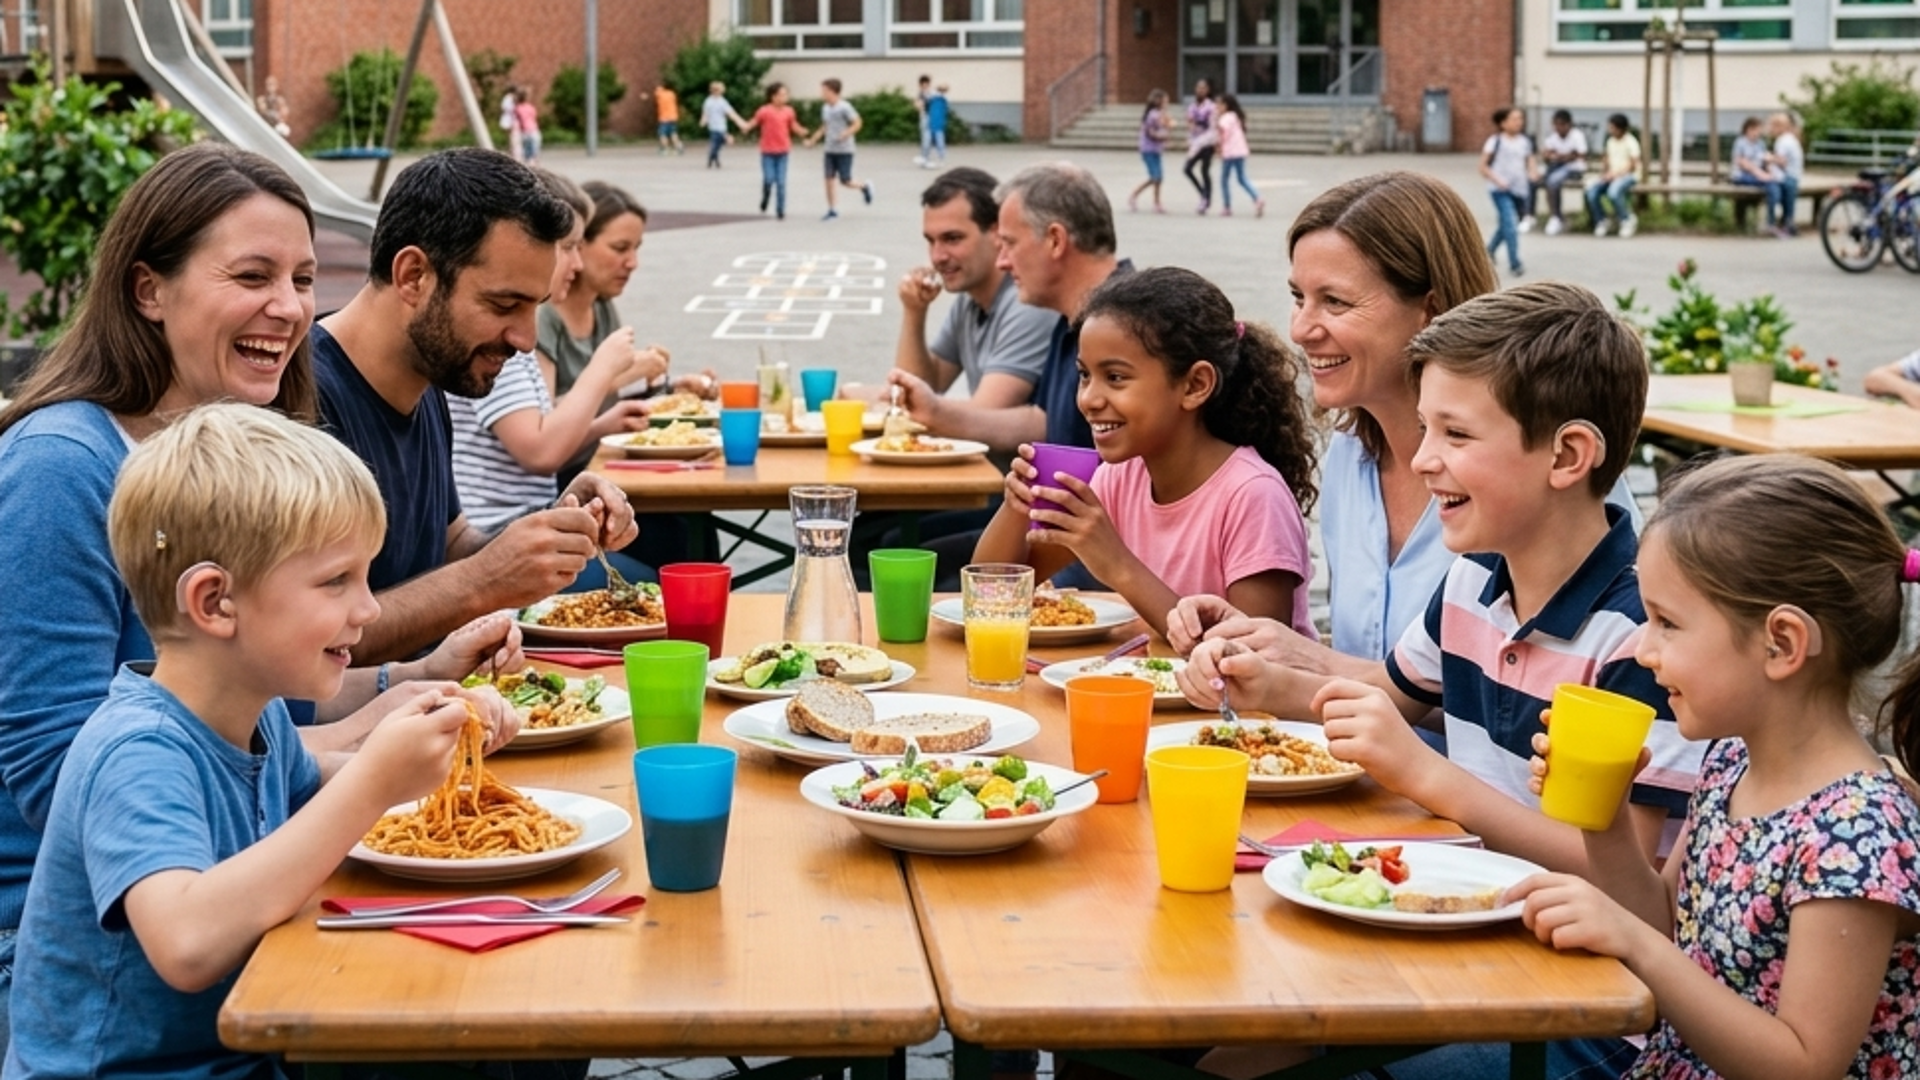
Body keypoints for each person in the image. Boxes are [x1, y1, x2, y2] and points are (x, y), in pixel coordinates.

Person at [0, 143, 526, 1048]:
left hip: (223, 882)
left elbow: (249, 709)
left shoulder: (240, 457)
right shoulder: (61, 469)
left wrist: (414, 680)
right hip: (90, 954)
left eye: (303, 277)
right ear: (147, 290)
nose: (289, 308)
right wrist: (366, 769)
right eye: (252, 275)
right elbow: (65, 781)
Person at [1179, 282, 1704, 1080]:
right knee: (1211, 1040)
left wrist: (1428, 775)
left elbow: (1621, 880)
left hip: (1590, 1006)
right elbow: (1391, 700)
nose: (1422, 460)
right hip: (1462, 930)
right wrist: (1269, 676)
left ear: (1568, 455)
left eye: (1455, 434)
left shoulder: (1644, 635)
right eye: (1426, 429)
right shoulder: (1475, 579)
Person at [1, 404, 514, 1078]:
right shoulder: (136, 750)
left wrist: (431, 727)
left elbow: (309, 788)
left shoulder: (257, 715)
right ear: (214, 602)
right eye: (336, 581)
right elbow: (187, 942)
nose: (367, 609)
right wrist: (373, 782)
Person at [1512, 454, 1920, 1079]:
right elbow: (1666, 923)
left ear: (1782, 644)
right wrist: (1606, 816)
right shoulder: (1732, 761)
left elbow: (1803, 1065)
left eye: (1668, 623)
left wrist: (1632, 941)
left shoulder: (1857, 833)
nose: (1643, 650)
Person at [312, 148, 638, 663]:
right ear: (414, 275)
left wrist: (550, 528)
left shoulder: (430, 378)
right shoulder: (302, 406)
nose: (527, 339)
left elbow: (450, 545)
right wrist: (483, 582)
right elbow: (318, 639)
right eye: (504, 305)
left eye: (535, 309)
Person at [972, 267, 1316, 639]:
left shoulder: (1253, 495)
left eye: (1115, 377)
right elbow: (993, 593)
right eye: (1084, 375)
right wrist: (1017, 505)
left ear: (1195, 385)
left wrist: (1118, 565)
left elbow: (1254, 661)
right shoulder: (1120, 477)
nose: (1089, 398)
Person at [448, 169, 660, 548]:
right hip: (498, 532)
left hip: (523, 519)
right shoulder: (501, 338)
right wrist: (604, 370)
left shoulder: (519, 328)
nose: (576, 264)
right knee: (662, 563)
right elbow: (541, 450)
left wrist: (603, 423)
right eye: (568, 247)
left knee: (670, 540)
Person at [879, 167, 1059, 454]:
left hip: (1011, 486)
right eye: (931, 240)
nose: (938, 256)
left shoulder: (1025, 303)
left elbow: (978, 416)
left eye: (952, 239)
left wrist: (896, 404)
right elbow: (923, 385)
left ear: (997, 233)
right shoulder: (970, 299)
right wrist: (915, 312)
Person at [992, 163, 1132, 456]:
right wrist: (933, 413)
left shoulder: (1130, 327)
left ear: (1055, 240)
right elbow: (1046, 423)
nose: (1001, 263)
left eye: (1010, 243)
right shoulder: (1072, 317)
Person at [804, 78, 874, 221]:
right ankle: (832, 209)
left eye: (824, 91)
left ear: (832, 91)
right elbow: (825, 126)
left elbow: (858, 123)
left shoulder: (844, 107)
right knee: (828, 179)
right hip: (829, 149)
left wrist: (847, 133)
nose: (822, 94)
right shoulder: (825, 108)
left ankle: (864, 186)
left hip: (845, 149)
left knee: (845, 180)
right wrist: (813, 140)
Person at [739, 83, 810, 220]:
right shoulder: (764, 111)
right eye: (782, 94)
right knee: (769, 179)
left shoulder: (789, 111)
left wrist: (802, 131)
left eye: (786, 94)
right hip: (768, 152)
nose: (785, 97)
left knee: (781, 182)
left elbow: (793, 125)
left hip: (783, 151)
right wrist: (747, 127)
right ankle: (765, 196)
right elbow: (755, 121)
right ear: (773, 97)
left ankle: (780, 210)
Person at [1480, 106, 1536, 275]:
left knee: (1506, 224)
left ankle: (1488, 251)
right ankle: (1515, 263)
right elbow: (1482, 167)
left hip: (1520, 190)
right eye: (1514, 119)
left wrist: (1533, 173)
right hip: (1500, 190)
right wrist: (1498, 180)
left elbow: (1530, 160)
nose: (1519, 122)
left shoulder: (1525, 142)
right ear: (1503, 123)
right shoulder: (1495, 141)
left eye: (1520, 119)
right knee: (1510, 225)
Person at [1533, 108, 1587, 235]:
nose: (1558, 128)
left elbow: (1579, 155)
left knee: (1553, 181)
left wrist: (1559, 156)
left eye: (1561, 125)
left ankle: (1556, 217)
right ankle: (1530, 215)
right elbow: (1546, 154)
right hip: (1556, 166)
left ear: (1568, 124)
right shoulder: (1553, 137)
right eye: (1555, 125)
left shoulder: (1577, 136)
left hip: (1574, 169)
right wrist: (1560, 156)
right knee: (1535, 180)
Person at [1587, 113, 1642, 237]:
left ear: (1621, 129)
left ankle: (1626, 219)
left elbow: (1632, 165)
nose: (1610, 130)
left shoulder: (1631, 142)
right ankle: (1602, 220)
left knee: (1613, 192)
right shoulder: (1610, 141)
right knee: (1592, 192)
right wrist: (1605, 174)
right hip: (1611, 176)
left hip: (1629, 176)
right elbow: (1607, 161)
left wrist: (1615, 175)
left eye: (1612, 128)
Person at [1730, 115, 1783, 233]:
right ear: (1749, 129)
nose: (1759, 133)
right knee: (1770, 184)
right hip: (1742, 175)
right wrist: (1761, 174)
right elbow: (1743, 163)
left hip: (1758, 175)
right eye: (1758, 130)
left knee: (1774, 186)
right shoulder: (1740, 142)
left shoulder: (1760, 144)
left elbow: (1764, 160)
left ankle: (1771, 220)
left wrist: (1770, 171)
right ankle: (1771, 220)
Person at [1215, 93, 1264, 218]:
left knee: (1224, 179)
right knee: (1242, 178)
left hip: (1230, 152)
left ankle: (1227, 206)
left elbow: (1223, 134)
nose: (1217, 107)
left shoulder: (1225, 118)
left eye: (1219, 105)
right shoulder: (1236, 116)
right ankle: (1257, 198)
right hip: (1240, 151)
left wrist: (1219, 148)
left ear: (1226, 106)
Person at [1128, 89, 1170, 214]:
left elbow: (1164, 127)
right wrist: (1163, 136)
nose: (1167, 103)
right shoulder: (1152, 115)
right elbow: (1150, 133)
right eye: (1165, 101)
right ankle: (1134, 195)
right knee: (1155, 177)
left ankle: (1157, 202)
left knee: (1159, 178)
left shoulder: (1159, 113)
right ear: (1158, 101)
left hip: (1156, 149)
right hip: (1148, 149)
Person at [1766, 111, 1804, 237]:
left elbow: (1782, 161)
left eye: (1772, 126)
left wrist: (1768, 158)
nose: (1770, 129)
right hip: (1795, 175)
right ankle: (1788, 223)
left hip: (1787, 177)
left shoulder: (1782, 141)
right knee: (1789, 203)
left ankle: (1781, 224)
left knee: (1782, 199)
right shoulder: (1791, 138)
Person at [1182, 78, 1217, 215]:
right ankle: (1203, 193)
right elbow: (1190, 125)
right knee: (1187, 169)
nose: (1200, 90)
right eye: (1198, 88)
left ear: (1207, 91)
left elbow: (1213, 127)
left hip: (1207, 143)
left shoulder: (1211, 107)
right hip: (1195, 143)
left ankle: (1206, 199)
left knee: (1204, 171)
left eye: (1203, 88)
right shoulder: (1192, 107)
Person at [700, 81, 744, 169]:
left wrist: (739, 122)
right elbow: (705, 113)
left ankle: (713, 157)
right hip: (713, 127)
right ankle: (713, 159)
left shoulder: (722, 102)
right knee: (715, 144)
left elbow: (730, 113)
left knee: (718, 144)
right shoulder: (708, 101)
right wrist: (703, 120)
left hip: (721, 127)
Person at [255, 74, 290, 138]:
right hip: (266, 127)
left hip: (276, 127)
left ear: (276, 86)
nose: (270, 87)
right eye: (268, 84)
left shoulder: (280, 100)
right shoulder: (262, 99)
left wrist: (281, 116)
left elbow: (284, 114)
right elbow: (262, 111)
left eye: (272, 84)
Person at [925, 83, 951, 168]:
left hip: (936, 124)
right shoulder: (935, 98)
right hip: (934, 124)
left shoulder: (942, 99)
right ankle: (930, 159)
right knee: (933, 143)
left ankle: (939, 159)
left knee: (938, 143)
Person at [514, 88, 542, 165]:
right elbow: (534, 117)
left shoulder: (517, 108)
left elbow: (519, 120)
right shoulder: (531, 107)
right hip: (533, 130)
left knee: (527, 150)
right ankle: (535, 163)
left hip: (525, 131)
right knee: (535, 150)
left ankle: (530, 163)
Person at [653, 83, 683, 155]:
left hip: (664, 118)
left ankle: (665, 149)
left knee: (662, 134)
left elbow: (656, 95)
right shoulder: (672, 94)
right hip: (673, 117)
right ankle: (678, 147)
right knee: (673, 133)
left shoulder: (659, 94)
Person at [913, 74, 933, 166]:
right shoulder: (921, 94)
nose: (925, 85)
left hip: (930, 117)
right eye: (923, 84)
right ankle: (924, 158)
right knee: (926, 138)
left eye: (927, 83)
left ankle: (925, 157)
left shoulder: (930, 93)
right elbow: (917, 105)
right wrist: (921, 107)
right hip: (925, 117)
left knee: (928, 138)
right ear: (921, 84)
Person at [499, 85, 520, 161]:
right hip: (509, 119)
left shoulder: (508, 97)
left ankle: (510, 151)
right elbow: (505, 108)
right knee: (511, 137)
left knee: (511, 137)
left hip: (510, 119)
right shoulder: (509, 98)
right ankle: (511, 152)